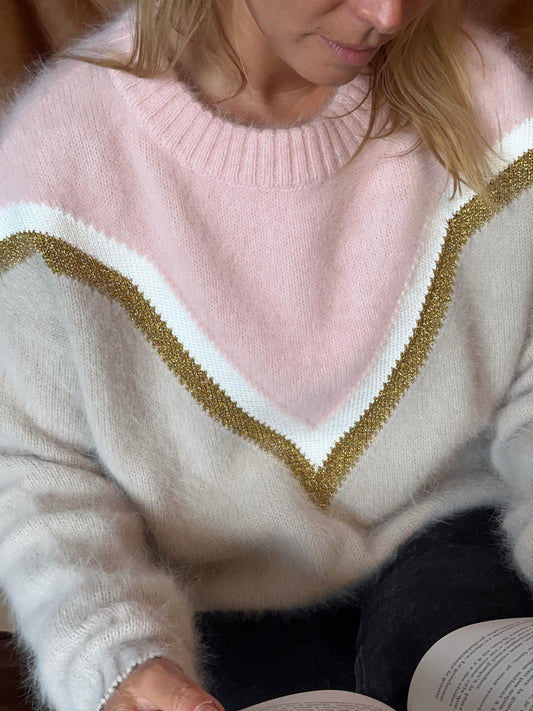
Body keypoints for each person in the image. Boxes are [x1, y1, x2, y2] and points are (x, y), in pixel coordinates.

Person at [0, 1, 532, 711]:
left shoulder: (483, 96)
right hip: (205, 607)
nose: (387, 16)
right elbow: (34, 466)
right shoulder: (62, 154)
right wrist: (112, 653)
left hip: (456, 544)